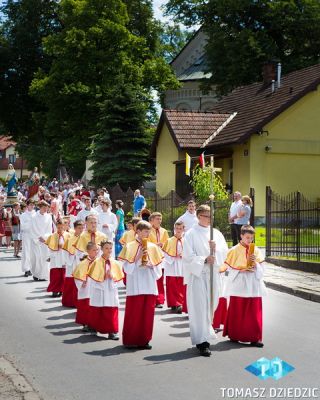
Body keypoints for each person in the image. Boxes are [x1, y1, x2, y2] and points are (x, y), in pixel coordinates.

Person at [183, 204, 228, 357]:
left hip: (213, 275)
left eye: (211, 216)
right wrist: (203, 259)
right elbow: (187, 257)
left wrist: (215, 249)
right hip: (199, 276)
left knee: (211, 306)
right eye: (207, 216)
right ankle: (202, 342)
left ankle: (206, 333)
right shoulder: (190, 234)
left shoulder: (216, 233)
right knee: (200, 308)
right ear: (199, 216)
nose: (210, 219)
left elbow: (224, 253)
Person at [119, 221, 163, 349]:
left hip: (149, 284)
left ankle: (144, 340)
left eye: (149, 231)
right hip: (135, 285)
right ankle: (130, 340)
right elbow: (126, 268)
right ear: (137, 232)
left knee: (147, 314)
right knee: (134, 313)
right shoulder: (129, 246)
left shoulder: (153, 247)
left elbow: (159, 269)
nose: (147, 234)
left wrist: (151, 265)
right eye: (145, 231)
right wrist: (137, 258)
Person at [222, 225, 266, 347]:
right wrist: (240, 270)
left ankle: (255, 338)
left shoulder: (256, 250)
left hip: (253, 284)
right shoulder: (234, 250)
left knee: (254, 311)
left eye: (251, 238)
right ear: (241, 236)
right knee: (238, 309)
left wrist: (256, 264)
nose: (249, 240)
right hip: (240, 283)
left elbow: (262, 269)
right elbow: (229, 269)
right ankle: (235, 335)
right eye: (247, 237)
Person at [87, 240, 123, 339]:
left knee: (111, 309)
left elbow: (120, 280)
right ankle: (94, 328)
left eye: (110, 248)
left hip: (111, 289)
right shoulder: (96, 262)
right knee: (97, 309)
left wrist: (112, 277)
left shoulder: (115, 263)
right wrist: (103, 276)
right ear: (102, 249)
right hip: (99, 289)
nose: (109, 250)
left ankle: (112, 331)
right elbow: (93, 279)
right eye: (106, 248)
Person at [73, 242, 99, 331]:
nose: (96, 252)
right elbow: (77, 276)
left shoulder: (100, 262)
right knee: (85, 306)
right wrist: (81, 282)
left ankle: (94, 324)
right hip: (86, 288)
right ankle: (85, 323)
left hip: (96, 287)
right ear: (88, 251)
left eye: (97, 250)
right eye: (94, 250)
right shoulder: (82, 264)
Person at [162, 221, 185, 314]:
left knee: (181, 285)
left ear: (183, 229)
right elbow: (164, 253)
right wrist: (173, 256)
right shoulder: (169, 240)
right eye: (177, 228)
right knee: (172, 285)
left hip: (182, 264)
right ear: (174, 229)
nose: (178, 230)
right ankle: (174, 303)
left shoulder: (186, 240)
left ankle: (180, 303)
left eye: (180, 229)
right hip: (172, 265)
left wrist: (184, 255)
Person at [62, 219, 85, 307]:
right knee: (70, 281)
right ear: (75, 228)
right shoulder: (70, 239)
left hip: (81, 263)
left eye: (82, 228)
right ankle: (69, 301)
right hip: (71, 263)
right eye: (79, 228)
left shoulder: (85, 239)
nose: (81, 230)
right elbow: (65, 252)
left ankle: (79, 302)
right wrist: (70, 259)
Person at [148, 212, 169, 308]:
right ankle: (152, 298)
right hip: (151, 257)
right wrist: (154, 245)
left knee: (160, 278)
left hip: (161, 257)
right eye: (157, 219)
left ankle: (160, 300)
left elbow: (167, 243)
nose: (159, 221)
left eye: (160, 219)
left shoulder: (164, 231)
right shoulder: (147, 230)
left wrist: (163, 245)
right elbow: (145, 242)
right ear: (151, 220)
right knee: (151, 279)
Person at [46, 220, 70, 297]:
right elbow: (49, 248)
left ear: (64, 227)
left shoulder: (68, 235)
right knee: (55, 275)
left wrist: (63, 247)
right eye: (58, 227)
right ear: (56, 227)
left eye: (61, 227)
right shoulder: (52, 236)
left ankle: (62, 290)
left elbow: (70, 247)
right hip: (55, 257)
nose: (60, 229)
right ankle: (55, 290)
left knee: (63, 275)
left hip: (64, 257)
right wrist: (50, 255)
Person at [29, 200, 53, 281]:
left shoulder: (49, 217)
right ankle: (35, 274)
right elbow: (33, 228)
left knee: (44, 258)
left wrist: (45, 237)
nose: (45, 209)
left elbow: (49, 229)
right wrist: (39, 237)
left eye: (46, 207)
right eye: (44, 207)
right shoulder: (34, 216)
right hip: (36, 240)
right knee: (36, 258)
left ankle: (43, 275)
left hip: (45, 241)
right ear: (40, 207)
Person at [20, 199, 36, 276]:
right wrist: (31, 222)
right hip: (26, 235)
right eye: (30, 205)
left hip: (34, 235)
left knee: (33, 252)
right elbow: (23, 226)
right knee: (26, 252)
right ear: (27, 206)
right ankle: (26, 269)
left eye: (33, 205)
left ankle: (32, 269)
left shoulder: (36, 214)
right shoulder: (23, 215)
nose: (32, 206)